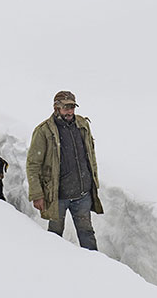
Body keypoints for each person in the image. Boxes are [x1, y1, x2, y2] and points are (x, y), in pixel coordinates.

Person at [26, 90, 103, 250]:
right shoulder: (44, 131)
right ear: (56, 108)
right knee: (54, 235)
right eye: (66, 107)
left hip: (82, 194)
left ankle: (95, 268)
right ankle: (53, 264)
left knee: (87, 234)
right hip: (58, 196)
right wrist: (37, 194)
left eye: (72, 107)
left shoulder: (82, 125)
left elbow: (90, 155)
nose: (70, 111)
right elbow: (33, 164)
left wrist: (93, 182)